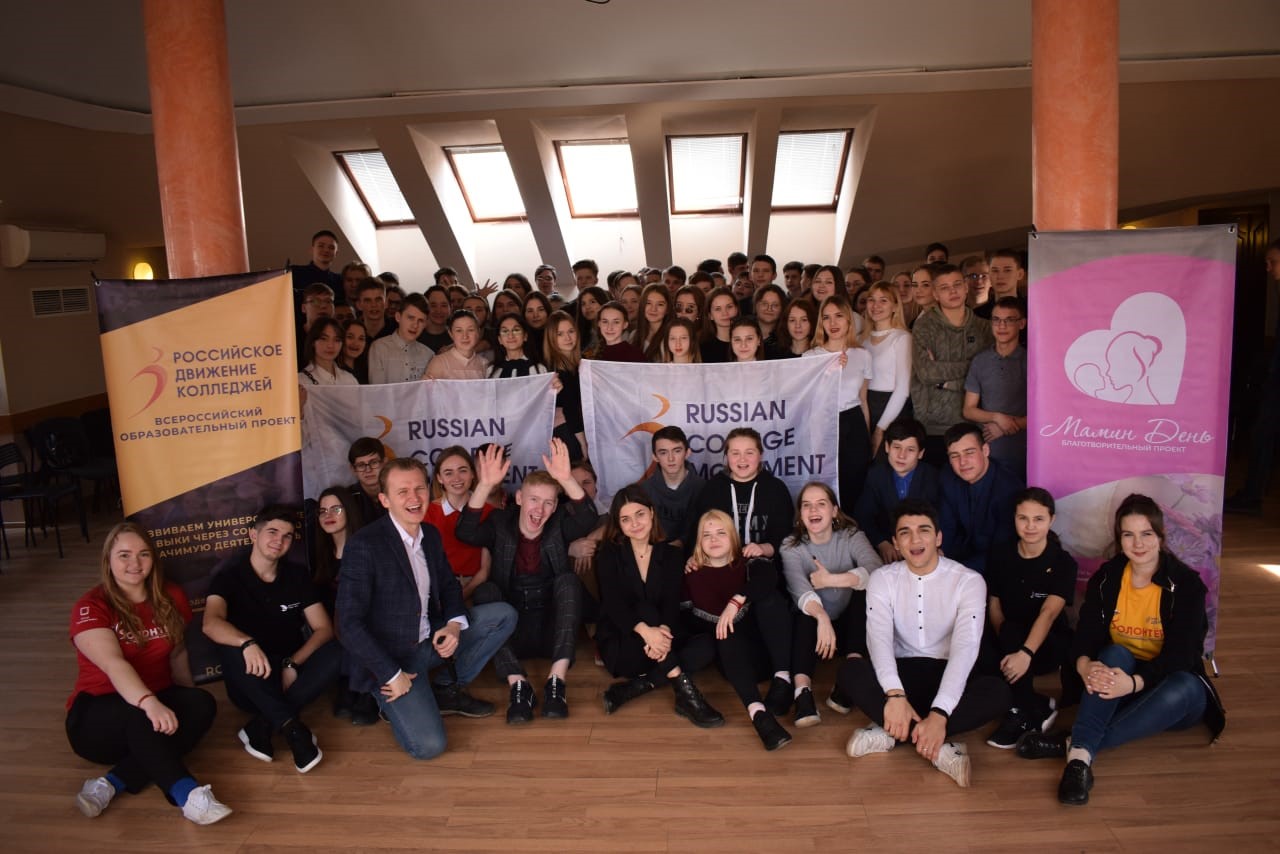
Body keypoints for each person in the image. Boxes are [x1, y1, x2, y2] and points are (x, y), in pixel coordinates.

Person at [1016, 494, 1226, 806]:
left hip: (1167, 688)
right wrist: (1085, 665)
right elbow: (1085, 636)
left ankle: (1074, 746)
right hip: (1118, 682)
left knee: (1183, 685)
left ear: (1161, 536)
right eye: (1129, 534)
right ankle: (1079, 761)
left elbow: (1183, 655)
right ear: (1119, 539)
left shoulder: (1185, 585)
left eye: (1146, 534)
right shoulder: (1108, 578)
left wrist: (1135, 683)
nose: (1138, 544)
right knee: (1113, 655)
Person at [337, 457, 518, 760]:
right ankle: (390, 699)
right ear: (384, 500)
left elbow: (448, 586)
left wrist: (454, 625)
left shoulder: (430, 535)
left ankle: (445, 688)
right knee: (429, 746)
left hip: (429, 639)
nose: (414, 498)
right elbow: (348, 624)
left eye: (420, 489)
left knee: (503, 615)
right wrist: (391, 674)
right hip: (392, 660)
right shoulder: (364, 545)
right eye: (403, 491)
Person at [837, 499, 1010, 788]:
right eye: (905, 532)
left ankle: (892, 732)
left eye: (924, 530)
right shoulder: (882, 579)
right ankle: (939, 746)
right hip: (900, 675)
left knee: (998, 692)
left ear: (938, 537)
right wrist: (894, 695)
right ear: (895, 542)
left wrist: (940, 713)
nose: (915, 540)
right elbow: (878, 641)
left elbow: (965, 650)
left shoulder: (969, 581)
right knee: (849, 671)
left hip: (947, 674)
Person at [66, 523, 229, 824]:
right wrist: (148, 702)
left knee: (202, 704)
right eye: (124, 555)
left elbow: (178, 654)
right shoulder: (91, 606)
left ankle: (112, 782)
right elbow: (115, 665)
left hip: (153, 705)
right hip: (96, 717)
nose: (135, 563)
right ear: (108, 560)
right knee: (140, 716)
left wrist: (186, 700)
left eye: (143, 554)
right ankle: (188, 795)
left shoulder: (170, 595)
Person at [456, 441, 597, 724]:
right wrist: (484, 486)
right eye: (534, 499)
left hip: (552, 631)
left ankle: (556, 682)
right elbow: (465, 532)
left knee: (569, 581)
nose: (540, 509)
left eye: (548, 502)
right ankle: (518, 686)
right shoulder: (499, 522)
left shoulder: (559, 523)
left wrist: (566, 479)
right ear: (519, 498)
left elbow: (588, 518)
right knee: (486, 591)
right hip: (512, 630)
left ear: (555, 506)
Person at [202, 505, 341, 773]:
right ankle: (293, 730)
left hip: (289, 675)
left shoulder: (297, 575)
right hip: (251, 680)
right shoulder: (228, 577)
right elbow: (210, 623)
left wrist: (293, 663)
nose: (279, 540)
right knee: (229, 644)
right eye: (273, 532)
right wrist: (247, 643)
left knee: (338, 650)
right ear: (253, 534)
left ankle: (261, 726)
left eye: (287, 536)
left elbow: (323, 628)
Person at [595, 486, 724, 727]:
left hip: (659, 643)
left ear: (652, 513)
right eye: (626, 519)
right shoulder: (608, 554)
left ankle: (637, 687)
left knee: (706, 645)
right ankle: (687, 696)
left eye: (640, 514)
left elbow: (671, 604)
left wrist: (661, 633)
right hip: (625, 644)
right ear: (618, 524)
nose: (635, 523)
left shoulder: (672, 555)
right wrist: (647, 632)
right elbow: (614, 605)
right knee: (645, 610)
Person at [682, 510, 794, 750]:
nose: (714, 539)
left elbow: (768, 579)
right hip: (735, 664)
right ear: (699, 541)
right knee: (724, 630)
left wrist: (736, 601)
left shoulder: (748, 561)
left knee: (771, 599)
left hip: (767, 654)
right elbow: (683, 621)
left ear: (733, 536)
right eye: (706, 535)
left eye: (721, 532)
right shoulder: (691, 574)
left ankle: (783, 679)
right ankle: (759, 714)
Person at [780, 482, 883, 728]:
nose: (813, 510)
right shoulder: (791, 546)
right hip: (815, 626)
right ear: (800, 514)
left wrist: (831, 580)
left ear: (834, 511)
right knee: (804, 614)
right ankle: (802, 694)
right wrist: (822, 618)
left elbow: (877, 570)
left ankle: (848, 680)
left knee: (865, 595)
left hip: (848, 622)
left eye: (821, 504)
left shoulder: (851, 536)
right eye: (807, 505)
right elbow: (799, 589)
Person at [983, 488, 1076, 749]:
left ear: (1051, 520)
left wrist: (1024, 653)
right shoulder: (1001, 554)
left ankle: (1021, 713)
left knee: (1014, 634)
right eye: (1023, 518)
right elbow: (995, 605)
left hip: (1046, 644)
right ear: (1014, 519)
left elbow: (1049, 613)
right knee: (986, 650)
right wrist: (1008, 646)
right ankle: (1035, 704)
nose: (1030, 526)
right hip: (1009, 638)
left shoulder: (1063, 562)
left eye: (1038, 519)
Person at [910, 263, 994, 462]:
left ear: (966, 287)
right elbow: (927, 373)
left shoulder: (984, 328)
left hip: (975, 424)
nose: (953, 291)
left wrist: (944, 383)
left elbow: (988, 376)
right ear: (935, 294)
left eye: (957, 285)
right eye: (944, 287)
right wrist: (972, 366)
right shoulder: (924, 326)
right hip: (933, 426)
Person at [312, 486, 379, 727]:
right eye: (323, 511)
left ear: (349, 511)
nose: (328, 515)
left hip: (365, 621)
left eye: (336, 509)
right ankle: (347, 683)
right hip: (332, 626)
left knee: (353, 622)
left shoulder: (366, 547)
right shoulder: (321, 552)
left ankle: (364, 690)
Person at [806, 294, 874, 510]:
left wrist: (868, 436)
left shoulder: (863, 355)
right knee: (824, 486)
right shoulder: (810, 356)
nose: (833, 323)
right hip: (823, 423)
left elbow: (863, 400)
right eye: (826, 317)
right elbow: (807, 400)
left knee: (854, 483)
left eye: (838, 316)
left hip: (853, 422)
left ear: (848, 320)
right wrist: (829, 371)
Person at [937, 422, 1022, 577]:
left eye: (969, 453)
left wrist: (956, 571)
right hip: (955, 560)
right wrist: (940, 554)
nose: (962, 462)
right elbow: (947, 527)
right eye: (954, 456)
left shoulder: (1009, 488)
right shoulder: (947, 477)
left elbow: (1002, 549)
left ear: (985, 450)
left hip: (995, 568)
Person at [854, 418, 940, 565]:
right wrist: (882, 543)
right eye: (897, 447)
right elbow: (863, 515)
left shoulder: (933, 478)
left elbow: (942, 520)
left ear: (920, 453)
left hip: (923, 548)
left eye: (910, 450)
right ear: (887, 447)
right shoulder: (876, 475)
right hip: (888, 552)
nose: (901, 455)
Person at [963, 296, 1028, 481]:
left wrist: (1007, 426)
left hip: (1023, 454)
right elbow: (968, 410)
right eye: (996, 320)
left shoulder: (1032, 361)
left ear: (1022, 324)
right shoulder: (980, 361)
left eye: (1009, 320)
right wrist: (998, 418)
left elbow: (1045, 414)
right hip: (986, 455)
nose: (1002, 325)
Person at [424, 446, 491, 603]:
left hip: (476, 588)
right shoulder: (427, 513)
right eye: (448, 473)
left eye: (463, 470)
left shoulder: (489, 512)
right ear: (439, 478)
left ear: (473, 474)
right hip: (439, 588)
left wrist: (461, 596)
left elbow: (485, 570)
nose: (457, 478)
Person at [861, 283, 913, 454]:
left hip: (891, 410)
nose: (876, 306)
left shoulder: (902, 338)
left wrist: (880, 428)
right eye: (871, 300)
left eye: (883, 300)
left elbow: (902, 389)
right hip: (865, 407)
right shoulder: (862, 340)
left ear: (895, 306)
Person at [640, 426, 705, 548]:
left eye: (677, 451)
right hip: (654, 553)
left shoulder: (704, 489)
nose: (671, 458)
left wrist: (680, 543)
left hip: (695, 554)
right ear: (655, 457)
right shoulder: (643, 491)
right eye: (663, 452)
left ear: (687, 453)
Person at [545, 311, 588, 462]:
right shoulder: (556, 371)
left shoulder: (581, 364)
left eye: (571, 331)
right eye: (560, 334)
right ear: (551, 338)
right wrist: (583, 443)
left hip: (579, 428)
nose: (568, 338)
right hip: (569, 433)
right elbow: (570, 409)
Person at [367, 293, 434, 385]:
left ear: (425, 324)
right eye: (411, 318)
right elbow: (377, 389)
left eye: (420, 321)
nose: (415, 325)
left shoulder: (428, 355)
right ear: (398, 317)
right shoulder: (379, 348)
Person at [423, 309, 487, 379]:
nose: (465, 336)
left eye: (470, 330)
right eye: (459, 330)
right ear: (451, 334)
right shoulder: (439, 362)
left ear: (478, 332)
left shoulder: (484, 364)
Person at [298, 317, 358, 390]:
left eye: (337, 340)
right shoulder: (301, 381)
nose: (330, 345)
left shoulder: (349, 379)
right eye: (324, 339)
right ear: (313, 342)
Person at [488, 314, 549, 378]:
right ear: (499, 339)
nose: (510, 336)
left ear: (525, 336)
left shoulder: (539, 369)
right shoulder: (491, 371)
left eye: (516, 330)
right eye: (505, 331)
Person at [346, 436, 388, 523]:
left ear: (384, 463)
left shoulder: (399, 492)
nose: (368, 470)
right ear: (353, 469)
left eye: (374, 462)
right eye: (361, 465)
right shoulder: (346, 499)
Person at [633, 282, 671, 360]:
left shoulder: (671, 338)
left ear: (667, 309)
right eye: (648, 303)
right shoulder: (633, 335)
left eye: (660, 304)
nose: (653, 309)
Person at [701, 286, 739, 363]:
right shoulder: (702, 347)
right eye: (718, 309)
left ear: (736, 309)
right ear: (710, 315)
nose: (725, 313)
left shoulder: (748, 343)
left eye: (729, 307)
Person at [417, 285, 454, 353]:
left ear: (451, 307)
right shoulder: (415, 335)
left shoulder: (456, 337)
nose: (438, 311)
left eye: (444, 305)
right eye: (433, 305)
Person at [522, 291, 553, 358]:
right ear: (524, 314)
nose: (535, 315)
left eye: (541, 310)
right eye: (530, 311)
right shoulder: (520, 340)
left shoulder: (557, 336)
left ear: (548, 311)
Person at [338, 317, 370, 384]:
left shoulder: (368, 369)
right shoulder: (333, 369)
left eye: (361, 339)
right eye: (350, 337)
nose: (356, 343)